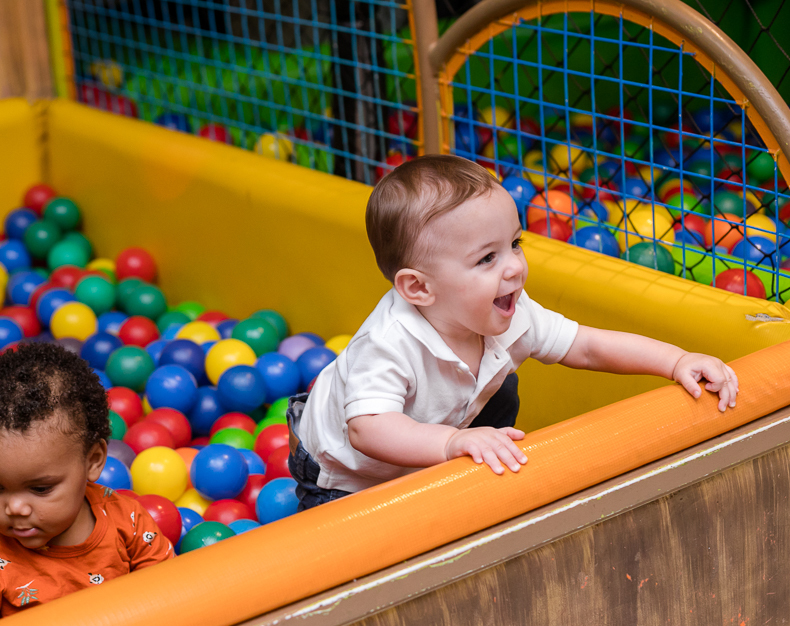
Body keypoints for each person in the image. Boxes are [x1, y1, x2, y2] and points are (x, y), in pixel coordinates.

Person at [289, 155, 739, 511]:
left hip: (440, 423)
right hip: (345, 472)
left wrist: (676, 361)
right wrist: (452, 443)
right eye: (487, 258)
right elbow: (369, 430)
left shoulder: (507, 312)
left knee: (502, 383)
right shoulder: (388, 343)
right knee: (354, 551)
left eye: (515, 244)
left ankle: (481, 476)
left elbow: (586, 345)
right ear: (419, 288)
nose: (515, 267)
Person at [0, 342, 173, 626]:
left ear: (93, 461)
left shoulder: (128, 522)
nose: (15, 508)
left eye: (41, 488)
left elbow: (171, 593)